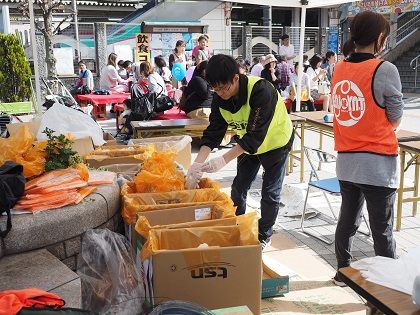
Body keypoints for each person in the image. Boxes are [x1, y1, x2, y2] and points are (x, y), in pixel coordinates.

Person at [185, 54, 294, 247]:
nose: (220, 93)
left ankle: (263, 234)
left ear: (236, 78)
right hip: (247, 146)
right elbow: (214, 132)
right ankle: (237, 224)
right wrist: (197, 164)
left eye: (223, 88)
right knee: (238, 187)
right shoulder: (220, 97)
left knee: (269, 192)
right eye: (215, 89)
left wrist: (222, 160)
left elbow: (255, 136)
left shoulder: (261, 90)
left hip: (275, 144)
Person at [331, 11, 403, 287]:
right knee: (381, 229)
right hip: (377, 164)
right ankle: (389, 286)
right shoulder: (384, 69)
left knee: (347, 220)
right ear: (380, 37)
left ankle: (342, 272)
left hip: (346, 162)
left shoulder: (339, 68)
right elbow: (395, 115)